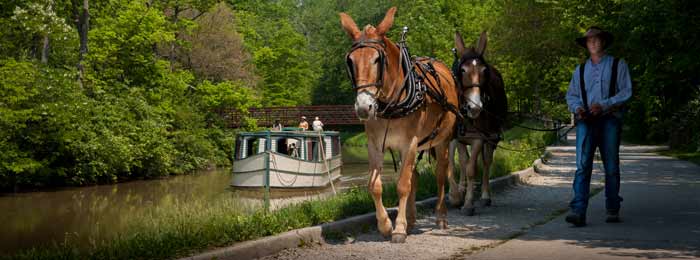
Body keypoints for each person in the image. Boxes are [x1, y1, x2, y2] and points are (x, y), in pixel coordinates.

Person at [564, 26, 632, 227]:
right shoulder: (580, 69)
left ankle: (612, 207)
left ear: (603, 42)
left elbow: (626, 92)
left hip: (609, 120)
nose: (592, 43)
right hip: (586, 122)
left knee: (611, 166)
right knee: (582, 166)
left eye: (596, 39)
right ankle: (578, 210)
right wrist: (578, 108)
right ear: (586, 45)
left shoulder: (618, 65)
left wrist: (604, 105)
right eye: (588, 40)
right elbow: (571, 95)